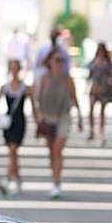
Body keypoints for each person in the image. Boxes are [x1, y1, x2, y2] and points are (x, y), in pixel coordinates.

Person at [36, 48, 83, 198]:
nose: (59, 63)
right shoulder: (44, 78)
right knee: (51, 152)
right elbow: (38, 99)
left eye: (61, 61)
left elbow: (75, 98)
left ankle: (57, 183)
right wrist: (38, 118)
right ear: (50, 62)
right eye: (56, 60)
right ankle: (55, 176)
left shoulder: (67, 78)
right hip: (48, 117)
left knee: (57, 150)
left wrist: (81, 118)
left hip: (63, 116)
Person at [0, 59, 35, 195]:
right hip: (8, 123)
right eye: (12, 68)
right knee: (12, 152)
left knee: (13, 151)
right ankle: (17, 178)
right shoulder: (5, 88)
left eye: (16, 68)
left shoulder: (26, 88)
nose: (14, 70)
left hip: (20, 122)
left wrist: (38, 123)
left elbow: (34, 107)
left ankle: (8, 179)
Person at [86, 42, 112, 147]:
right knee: (91, 109)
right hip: (95, 88)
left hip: (104, 89)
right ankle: (92, 129)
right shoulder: (94, 62)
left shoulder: (107, 64)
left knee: (102, 111)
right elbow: (89, 73)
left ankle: (101, 131)